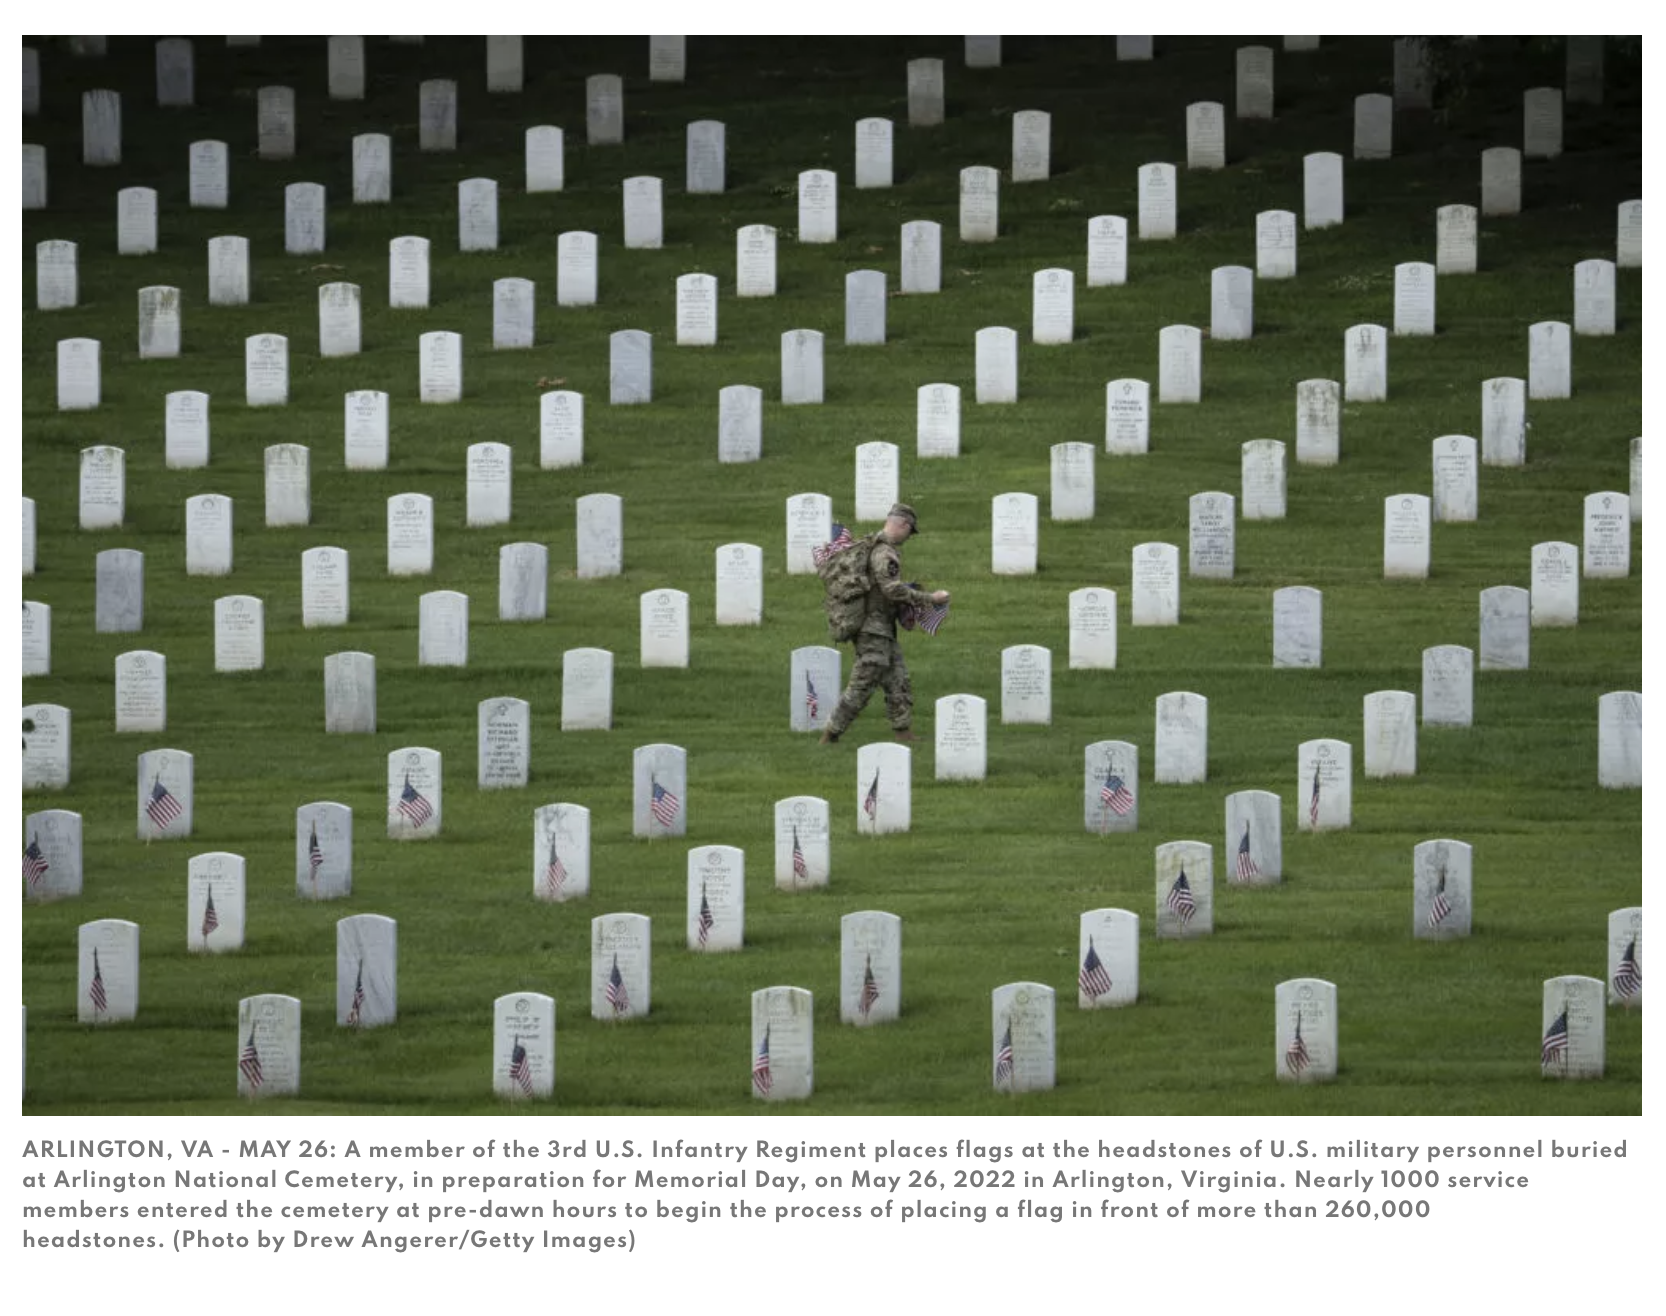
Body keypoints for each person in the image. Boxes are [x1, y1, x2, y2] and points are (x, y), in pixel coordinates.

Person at [820, 503, 950, 744]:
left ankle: (903, 731)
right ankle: (831, 734)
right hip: (873, 630)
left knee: (898, 679)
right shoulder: (884, 553)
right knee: (863, 682)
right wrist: (929, 599)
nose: (908, 538)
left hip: (882, 629)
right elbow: (892, 590)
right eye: (910, 532)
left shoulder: (873, 547)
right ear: (902, 525)